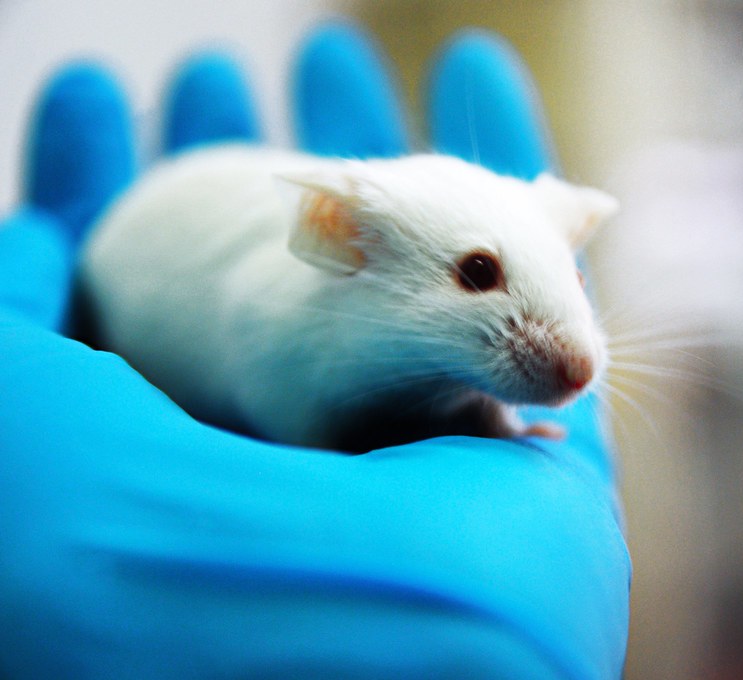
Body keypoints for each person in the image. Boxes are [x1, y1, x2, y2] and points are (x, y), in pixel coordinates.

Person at [0, 21, 630, 679]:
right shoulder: (291, 312)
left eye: (574, 280)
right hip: (133, 282)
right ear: (336, 235)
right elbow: (274, 387)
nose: (574, 359)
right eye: (476, 273)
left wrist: (493, 417)